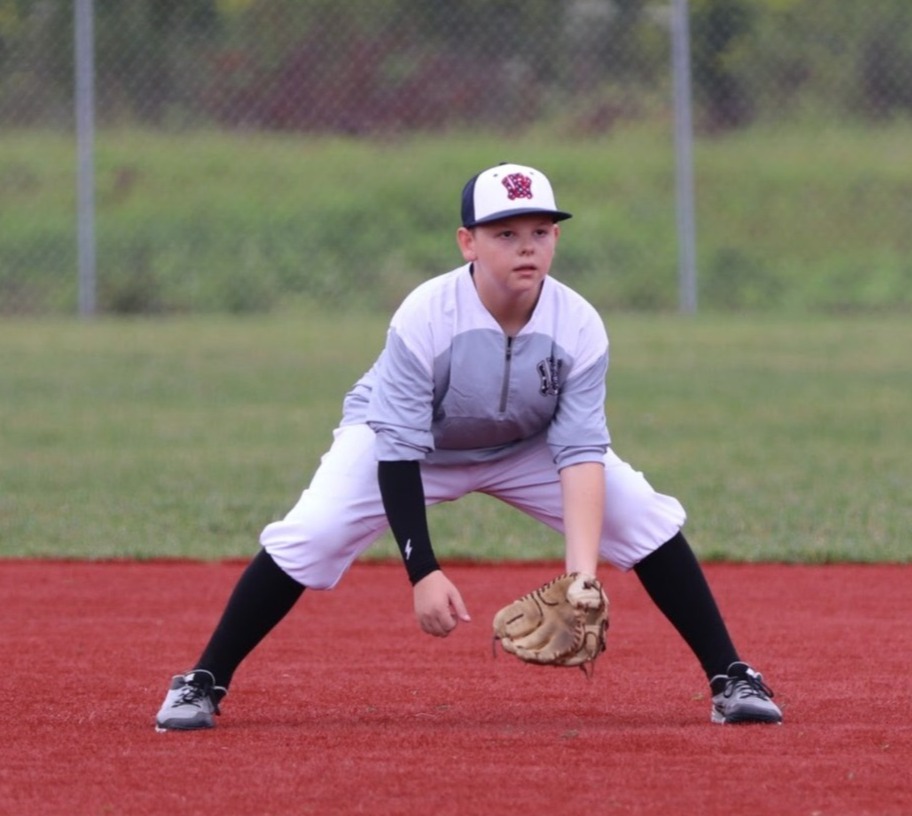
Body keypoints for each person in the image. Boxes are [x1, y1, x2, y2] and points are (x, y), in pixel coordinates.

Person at [155, 162, 782, 731]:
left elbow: (580, 452)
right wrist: (423, 572)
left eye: (540, 231)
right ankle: (203, 680)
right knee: (311, 533)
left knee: (643, 515)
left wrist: (582, 579)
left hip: (525, 447)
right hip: (411, 446)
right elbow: (396, 450)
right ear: (468, 243)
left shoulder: (578, 324)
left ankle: (731, 677)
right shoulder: (427, 315)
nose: (526, 246)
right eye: (505, 233)